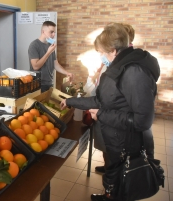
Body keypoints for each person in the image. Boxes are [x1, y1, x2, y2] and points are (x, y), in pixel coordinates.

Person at [60, 23, 160, 201]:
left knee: (124, 177)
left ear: (113, 51)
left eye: (101, 52)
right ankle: (109, 195)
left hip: (127, 140)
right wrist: (70, 101)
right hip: (116, 137)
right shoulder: (120, 67)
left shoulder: (133, 72)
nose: (100, 57)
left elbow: (142, 120)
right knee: (113, 172)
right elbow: (102, 100)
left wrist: (102, 114)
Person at [87, 23, 136, 174]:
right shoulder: (113, 60)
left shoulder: (127, 67)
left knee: (113, 150)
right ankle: (108, 167)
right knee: (106, 148)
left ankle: (111, 186)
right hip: (107, 113)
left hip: (112, 117)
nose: (102, 54)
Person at [28, 21, 73, 92]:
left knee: (49, 103)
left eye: (54, 32)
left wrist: (66, 73)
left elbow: (55, 64)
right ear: (43, 31)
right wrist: (48, 52)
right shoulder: (34, 45)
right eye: (51, 32)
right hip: (37, 84)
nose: (53, 34)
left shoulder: (49, 45)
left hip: (49, 83)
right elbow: (35, 66)